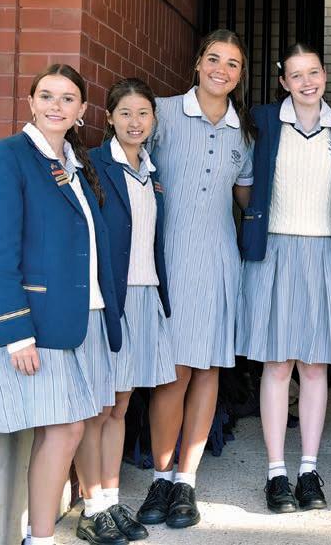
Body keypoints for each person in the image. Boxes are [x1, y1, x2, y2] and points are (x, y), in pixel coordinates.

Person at [0, 64, 123, 545]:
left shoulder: (76, 165)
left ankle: (69, 522)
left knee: (76, 425)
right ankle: (39, 539)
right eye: (48, 96)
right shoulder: (6, 157)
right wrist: (16, 330)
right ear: (31, 102)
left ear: (82, 110)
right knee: (64, 430)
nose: (57, 106)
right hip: (38, 323)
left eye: (68, 98)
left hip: (86, 318)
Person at [135, 29, 255, 529]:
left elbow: (247, 201)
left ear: (240, 75)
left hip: (220, 261)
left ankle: (187, 480)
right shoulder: (161, 114)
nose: (221, 70)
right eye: (214, 59)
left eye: (232, 64)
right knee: (174, 373)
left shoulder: (243, 134)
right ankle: (161, 478)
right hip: (169, 260)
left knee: (207, 370)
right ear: (198, 63)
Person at [236, 43, 331, 513]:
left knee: (315, 366)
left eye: (314, 72)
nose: (307, 82)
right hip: (275, 250)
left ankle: (308, 469)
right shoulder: (263, 121)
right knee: (277, 364)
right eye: (297, 75)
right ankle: (275, 473)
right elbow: (245, 183)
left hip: (325, 252)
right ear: (283, 81)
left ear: (324, 75)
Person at [88, 77, 174, 542]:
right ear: (109, 118)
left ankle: (112, 499)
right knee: (100, 406)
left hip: (145, 294)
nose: (134, 122)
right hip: (112, 298)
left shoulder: (152, 173)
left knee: (120, 406)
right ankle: (94, 506)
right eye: (125, 113)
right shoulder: (94, 165)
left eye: (143, 113)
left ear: (154, 119)